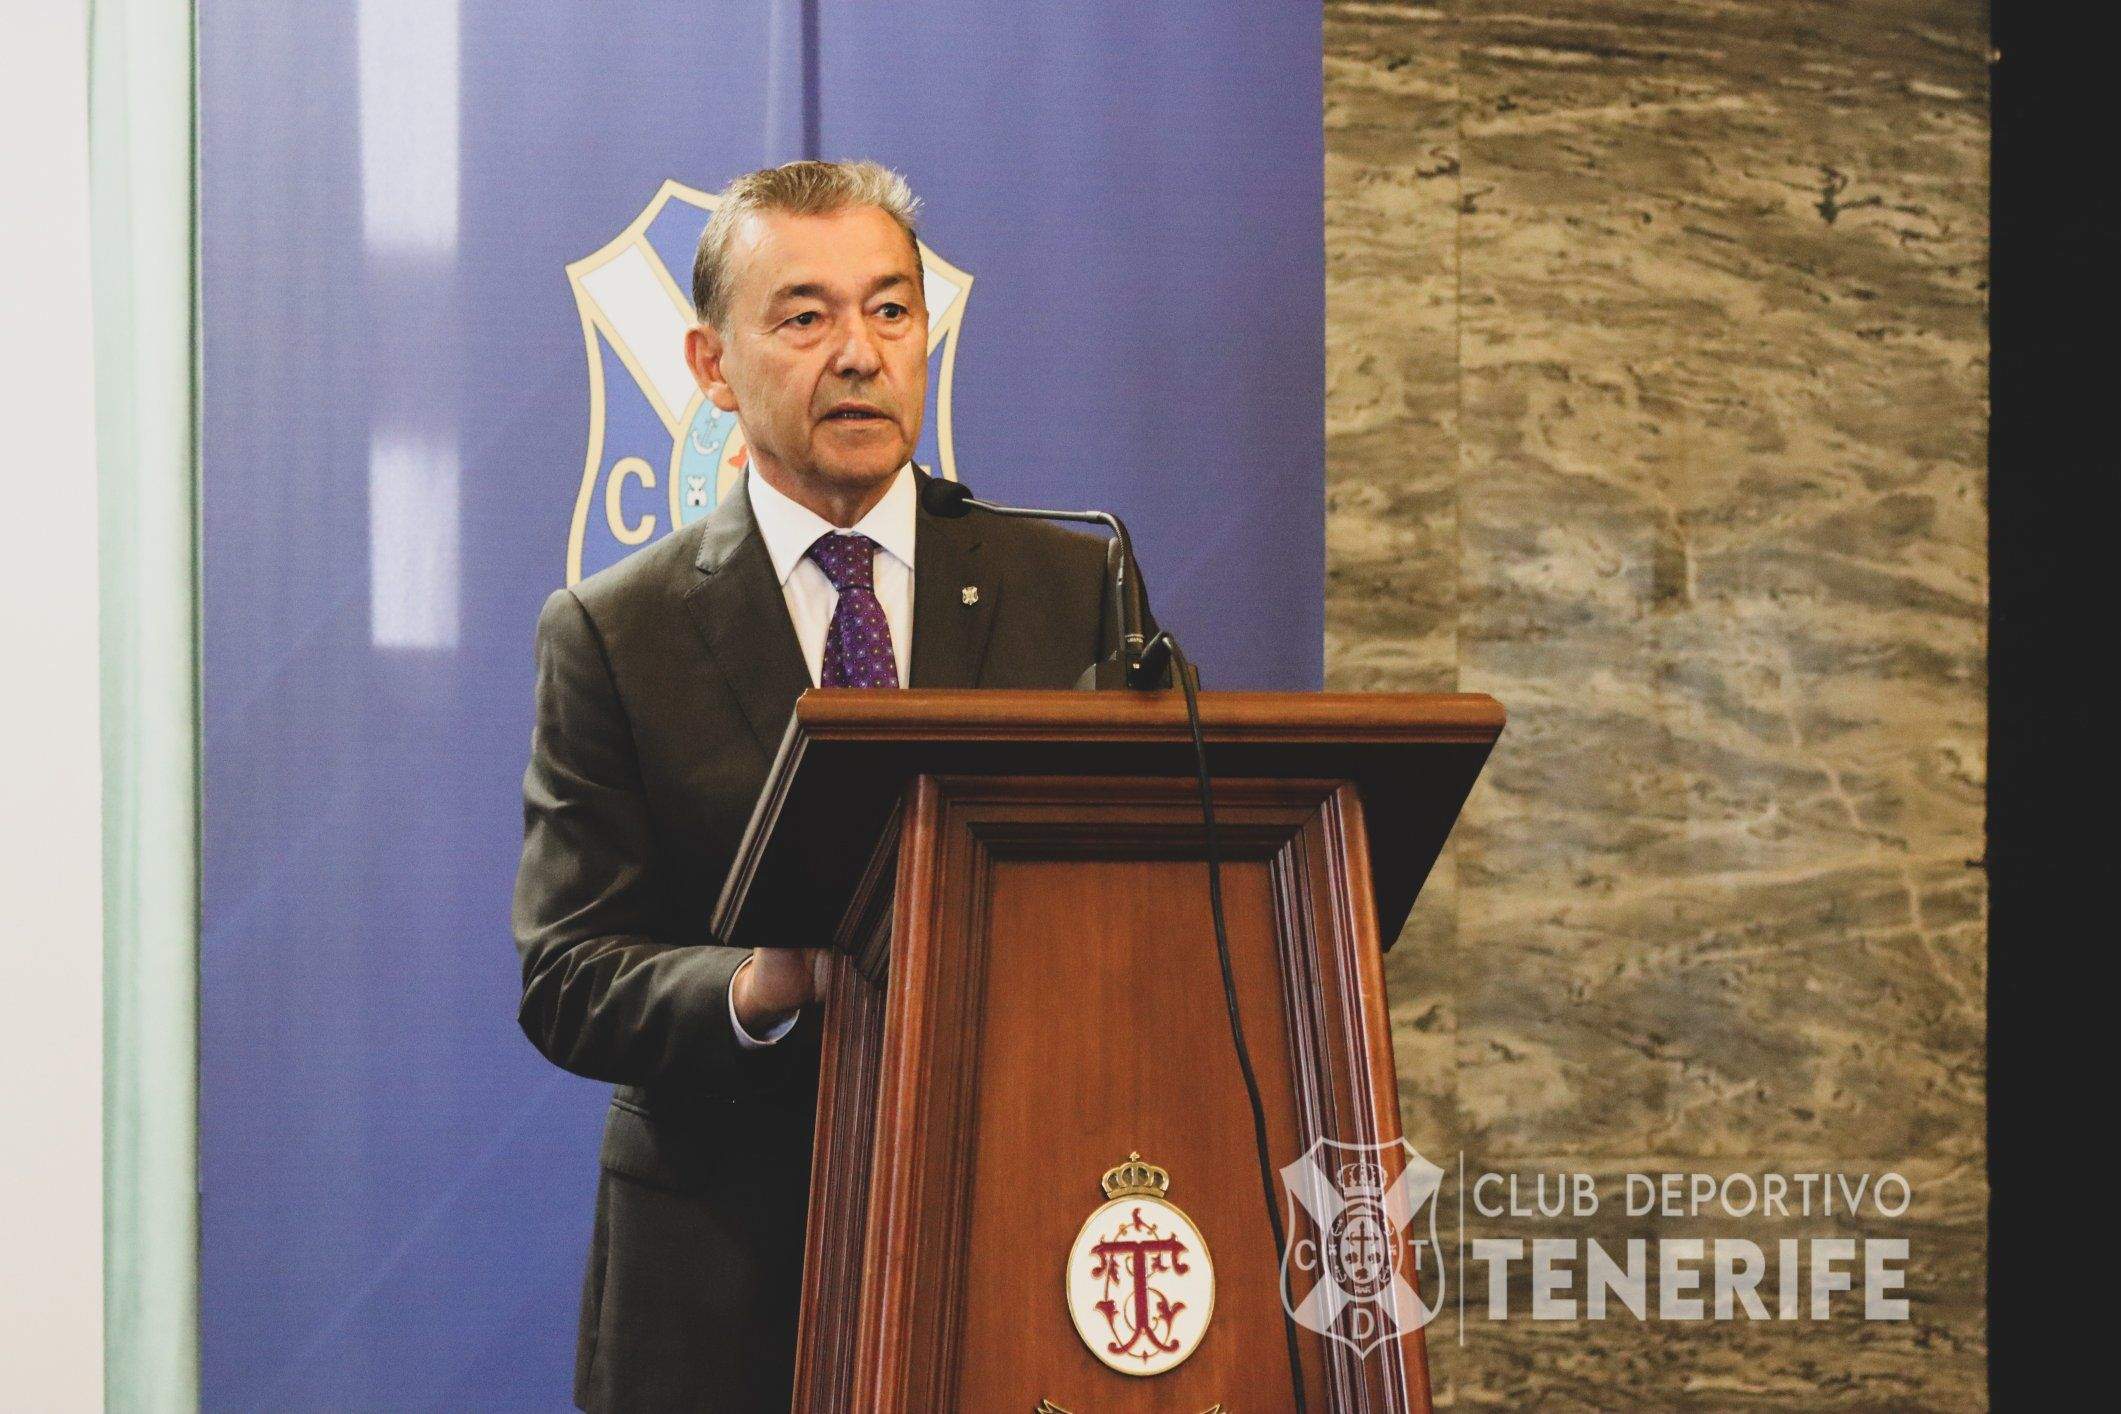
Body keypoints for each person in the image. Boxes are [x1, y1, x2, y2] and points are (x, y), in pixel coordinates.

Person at [512, 160, 1146, 1412]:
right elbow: (567, 974)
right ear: (710, 366)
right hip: (718, 1285)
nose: (858, 352)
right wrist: (766, 983)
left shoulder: (1075, 589)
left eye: (891, 311)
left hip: (1018, 1235)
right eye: (804, 317)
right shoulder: (614, 630)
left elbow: (1151, 890)